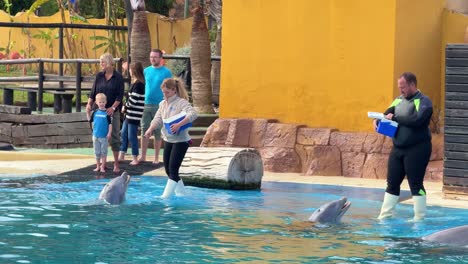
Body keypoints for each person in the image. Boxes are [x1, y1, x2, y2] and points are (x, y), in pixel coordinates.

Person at [375, 72, 433, 221]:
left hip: (418, 148)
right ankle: (385, 216)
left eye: (404, 87)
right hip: (398, 148)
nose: (401, 90)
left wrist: (395, 118)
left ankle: (419, 218)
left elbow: (417, 120)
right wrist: (378, 121)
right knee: (392, 182)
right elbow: (386, 114)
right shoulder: (398, 101)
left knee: (415, 183)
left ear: (413, 85)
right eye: (399, 87)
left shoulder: (424, 101)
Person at [144, 78, 197, 198]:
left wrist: (179, 124)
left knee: (173, 169)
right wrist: (150, 129)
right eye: (163, 92)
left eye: (167, 92)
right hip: (168, 140)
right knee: (168, 170)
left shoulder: (181, 102)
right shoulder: (162, 104)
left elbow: (193, 113)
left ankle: (165, 197)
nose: (165, 95)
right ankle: (182, 193)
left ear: (174, 90)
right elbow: (158, 118)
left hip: (181, 141)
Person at [86, 53, 125, 173]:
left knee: (114, 137)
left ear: (109, 62)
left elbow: (120, 96)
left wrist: (112, 108)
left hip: (112, 111)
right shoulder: (99, 76)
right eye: (100, 62)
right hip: (99, 111)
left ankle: (116, 164)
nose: (101, 64)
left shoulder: (118, 77)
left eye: (103, 62)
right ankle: (102, 163)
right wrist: (89, 104)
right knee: (99, 137)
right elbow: (93, 93)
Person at [140, 49, 172, 164]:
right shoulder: (146, 71)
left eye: (155, 57)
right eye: (151, 57)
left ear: (160, 58)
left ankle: (156, 157)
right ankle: (143, 156)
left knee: (158, 130)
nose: (153, 59)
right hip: (146, 103)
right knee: (144, 129)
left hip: (160, 105)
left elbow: (170, 87)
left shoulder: (166, 72)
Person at [118, 62, 145, 165]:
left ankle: (135, 157)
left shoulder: (139, 84)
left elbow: (133, 101)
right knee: (124, 133)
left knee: (131, 136)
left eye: (130, 69)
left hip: (134, 114)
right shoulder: (135, 83)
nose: (129, 71)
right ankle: (122, 154)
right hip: (129, 114)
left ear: (134, 71)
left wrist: (125, 106)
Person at [87, 93, 112, 173]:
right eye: (100, 102)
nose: (101, 103)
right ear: (96, 103)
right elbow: (90, 120)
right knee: (97, 152)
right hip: (95, 136)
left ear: (106, 102)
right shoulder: (95, 112)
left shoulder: (107, 113)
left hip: (104, 136)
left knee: (104, 152)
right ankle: (98, 166)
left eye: (103, 102)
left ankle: (103, 167)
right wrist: (87, 112)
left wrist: (109, 133)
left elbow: (110, 124)